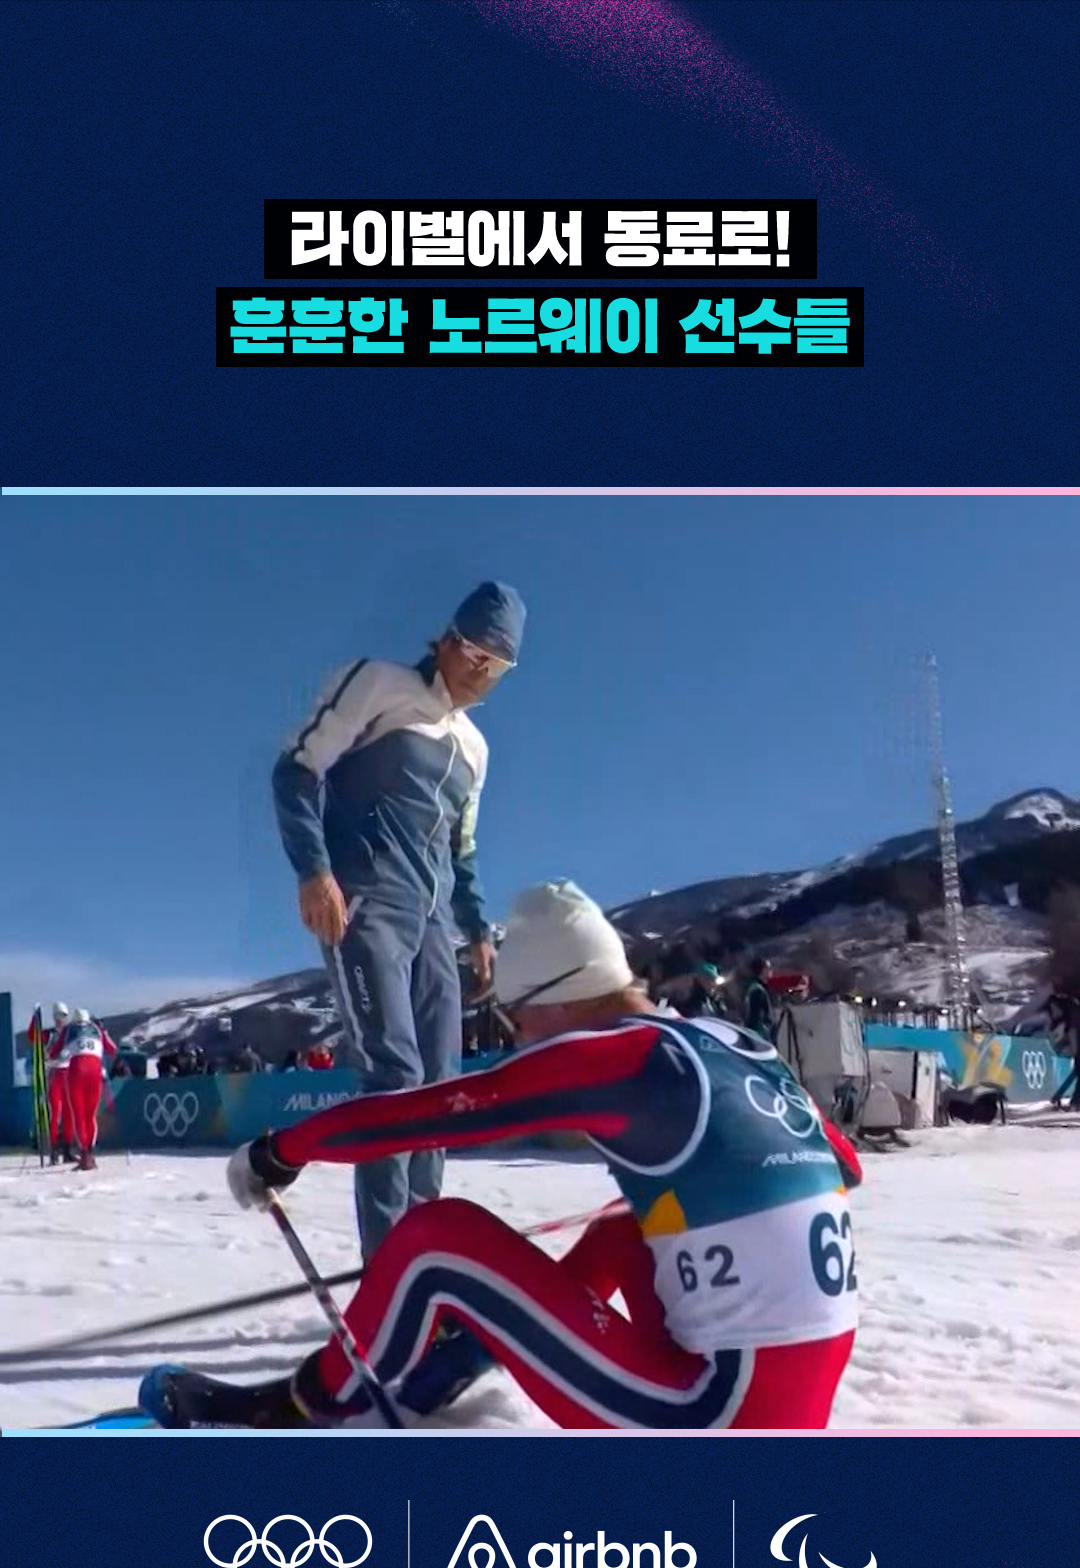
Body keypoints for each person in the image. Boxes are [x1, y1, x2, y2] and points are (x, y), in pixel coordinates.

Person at [142, 882, 863, 1432]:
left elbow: (421, 1115)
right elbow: (844, 1168)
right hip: (784, 1400)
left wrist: (282, 1150)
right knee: (624, 1227)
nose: (517, 1040)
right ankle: (449, 1365)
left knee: (438, 1240)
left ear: (548, 1002)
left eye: (513, 1022)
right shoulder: (735, 1045)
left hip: (712, 1412)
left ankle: (310, 1409)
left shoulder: (619, 1059)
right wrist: (688, 1203)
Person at [270, 580, 525, 1259]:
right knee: (394, 1077)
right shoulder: (378, 684)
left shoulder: (476, 750)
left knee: (441, 1089)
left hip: (433, 922)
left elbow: (460, 850)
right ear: (445, 639)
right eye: (474, 652)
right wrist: (313, 869)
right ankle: (389, 1270)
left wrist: (475, 930)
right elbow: (296, 770)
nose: (482, 671)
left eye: (498, 665)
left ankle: (424, 1261)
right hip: (366, 902)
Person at [57, 1009, 117, 1170]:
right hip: (95, 1073)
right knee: (90, 1116)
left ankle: (84, 1154)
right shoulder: (97, 1029)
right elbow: (112, 1049)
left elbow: (55, 1051)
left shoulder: (70, 1028)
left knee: (79, 1115)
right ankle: (90, 1153)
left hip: (77, 1072)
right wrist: (103, 1031)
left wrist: (52, 1058)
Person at [43, 1001, 76, 1165]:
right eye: (57, 1016)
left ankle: (68, 1150)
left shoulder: (70, 1034)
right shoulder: (48, 1034)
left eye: (62, 1016)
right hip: (55, 1074)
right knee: (55, 1113)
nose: (59, 1019)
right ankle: (54, 1151)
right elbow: (35, 1042)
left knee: (69, 1114)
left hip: (68, 1075)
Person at [743, 957, 776, 1043]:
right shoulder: (758, 990)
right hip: (760, 1038)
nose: (771, 970)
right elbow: (756, 1017)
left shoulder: (754, 987)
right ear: (762, 970)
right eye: (768, 968)